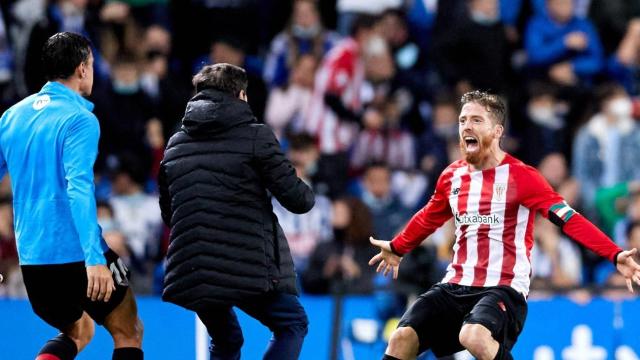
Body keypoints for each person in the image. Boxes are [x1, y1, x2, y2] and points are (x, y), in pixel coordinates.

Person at [368, 90, 640, 360]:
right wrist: (398, 247)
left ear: (497, 131)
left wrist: (614, 254)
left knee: (473, 335)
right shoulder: (452, 176)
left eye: (476, 120)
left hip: (504, 289)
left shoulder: (522, 177)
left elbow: (569, 219)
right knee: (401, 337)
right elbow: (429, 216)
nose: (466, 127)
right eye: (462, 120)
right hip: (456, 284)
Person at [0, 32, 143, 360]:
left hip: (33, 262)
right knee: (129, 330)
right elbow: (79, 187)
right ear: (82, 69)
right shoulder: (80, 120)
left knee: (80, 330)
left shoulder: (11, 117)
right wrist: (94, 259)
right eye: (92, 64)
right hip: (76, 254)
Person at [158, 63, 315, 360]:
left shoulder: (175, 144)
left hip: (193, 268)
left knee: (227, 340)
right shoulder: (256, 136)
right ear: (241, 95)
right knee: (292, 324)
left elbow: (171, 214)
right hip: (247, 263)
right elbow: (299, 200)